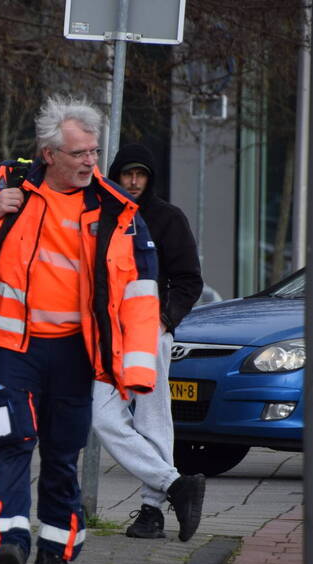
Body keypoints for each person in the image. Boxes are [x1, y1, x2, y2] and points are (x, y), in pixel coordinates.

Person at [0, 96, 160, 564]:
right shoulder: (9, 182)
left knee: (60, 455)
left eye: (94, 152)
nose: (89, 162)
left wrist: (137, 371)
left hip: (75, 355)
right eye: (79, 153)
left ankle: (57, 558)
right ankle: (9, 543)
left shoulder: (116, 209)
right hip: (11, 348)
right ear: (49, 154)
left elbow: (140, 295)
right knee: (14, 443)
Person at [92, 142, 206, 542]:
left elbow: (190, 280)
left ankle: (152, 511)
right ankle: (176, 484)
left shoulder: (167, 218)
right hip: (106, 334)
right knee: (103, 417)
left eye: (141, 174)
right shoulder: (100, 216)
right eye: (127, 173)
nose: (134, 181)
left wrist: (163, 319)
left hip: (149, 332)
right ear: (115, 175)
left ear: (151, 177)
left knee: (153, 417)